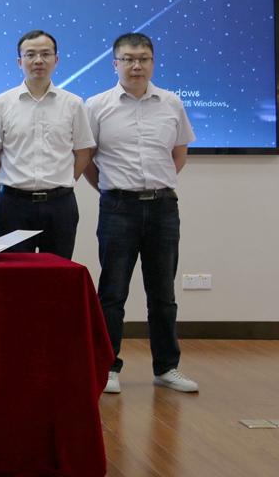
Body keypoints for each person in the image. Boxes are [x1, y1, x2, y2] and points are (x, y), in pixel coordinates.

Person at [84, 32, 198, 395]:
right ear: (115, 64)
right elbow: (87, 160)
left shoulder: (171, 102)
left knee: (163, 293)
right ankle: (108, 367)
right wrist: (115, 189)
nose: (137, 65)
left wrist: (155, 187)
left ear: (153, 62)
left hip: (163, 208)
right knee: (112, 292)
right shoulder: (96, 106)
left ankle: (166, 367)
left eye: (144, 59)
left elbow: (178, 153)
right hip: (117, 208)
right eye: (129, 59)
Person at [0, 30, 95, 259]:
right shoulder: (1, 103)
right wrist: (8, 187)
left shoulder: (73, 103)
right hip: (13, 205)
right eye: (30, 55)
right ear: (20, 62)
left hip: (60, 205)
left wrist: (63, 182)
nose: (38, 60)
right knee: (14, 274)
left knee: (58, 274)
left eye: (45, 54)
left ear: (56, 60)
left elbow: (83, 154)